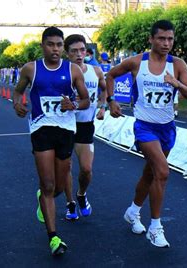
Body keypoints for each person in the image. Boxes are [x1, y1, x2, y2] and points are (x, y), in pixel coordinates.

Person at [106, 20, 187, 248]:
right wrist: (111, 100)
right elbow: (110, 75)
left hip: (167, 128)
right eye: (161, 38)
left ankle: (133, 211)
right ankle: (156, 228)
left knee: (150, 174)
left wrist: (176, 82)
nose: (167, 43)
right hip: (145, 127)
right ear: (151, 39)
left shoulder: (177, 64)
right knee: (163, 172)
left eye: (170, 39)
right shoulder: (137, 62)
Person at [12, 27, 90, 256]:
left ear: (62, 47)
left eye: (58, 45)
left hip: (66, 129)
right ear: (43, 46)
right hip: (41, 127)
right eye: (50, 44)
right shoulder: (31, 69)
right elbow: (18, 92)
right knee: (47, 184)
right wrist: (16, 103)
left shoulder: (73, 70)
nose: (55, 49)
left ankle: (43, 198)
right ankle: (53, 237)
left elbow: (85, 100)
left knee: (57, 185)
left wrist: (74, 104)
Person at [62, 34, 107, 220]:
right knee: (66, 168)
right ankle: (70, 203)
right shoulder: (61, 72)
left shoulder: (95, 71)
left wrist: (103, 105)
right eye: (74, 51)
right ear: (67, 53)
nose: (79, 54)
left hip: (85, 125)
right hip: (64, 125)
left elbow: (104, 88)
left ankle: (81, 194)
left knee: (86, 169)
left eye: (82, 50)